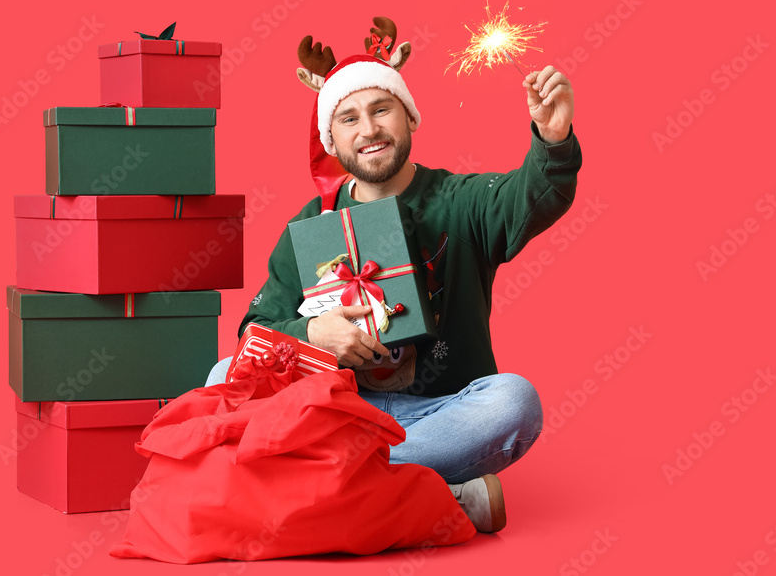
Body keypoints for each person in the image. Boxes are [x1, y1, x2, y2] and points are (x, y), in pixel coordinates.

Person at [205, 33, 581, 534]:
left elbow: (535, 193)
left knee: (515, 400)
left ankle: (322, 486)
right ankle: (431, 493)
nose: (369, 129)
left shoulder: (460, 199)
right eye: (349, 118)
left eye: (382, 109)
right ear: (331, 141)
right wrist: (316, 334)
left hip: (439, 411)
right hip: (337, 415)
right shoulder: (311, 224)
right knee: (222, 375)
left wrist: (552, 140)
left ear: (409, 118)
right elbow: (254, 331)